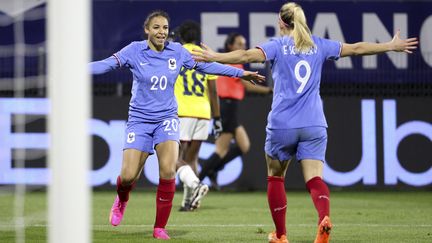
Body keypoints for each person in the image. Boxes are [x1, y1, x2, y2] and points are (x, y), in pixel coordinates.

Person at [192, 2, 418, 243]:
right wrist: (390, 46)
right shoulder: (318, 44)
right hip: (314, 124)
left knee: (275, 177)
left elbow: (246, 55)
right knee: (315, 179)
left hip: (283, 124)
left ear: (281, 22)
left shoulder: (277, 46)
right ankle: (324, 218)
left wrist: (215, 56)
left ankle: (280, 235)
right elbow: (356, 48)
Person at [89, 10, 265, 240]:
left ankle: (159, 227)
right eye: (156, 28)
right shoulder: (134, 50)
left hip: (167, 119)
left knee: (168, 170)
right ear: (147, 30)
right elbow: (106, 65)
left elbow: (207, 68)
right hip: (140, 121)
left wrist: (240, 74)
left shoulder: (177, 52)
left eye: (164, 28)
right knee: (129, 176)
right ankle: (122, 198)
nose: (161, 32)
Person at [198, 33, 272, 191]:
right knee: (221, 149)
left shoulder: (223, 61)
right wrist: (268, 90)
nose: (242, 47)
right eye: (239, 44)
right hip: (227, 106)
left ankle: (212, 170)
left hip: (229, 107)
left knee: (244, 146)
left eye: (244, 43)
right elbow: (248, 86)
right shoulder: (234, 64)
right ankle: (196, 181)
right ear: (230, 46)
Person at [173, 20, 221, 211]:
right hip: (203, 112)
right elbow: (213, 91)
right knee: (191, 159)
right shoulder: (205, 56)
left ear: (181, 36)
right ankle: (188, 202)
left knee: (174, 159)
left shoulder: (176, 53)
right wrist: (217, 119)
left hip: (182, 111)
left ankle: (196, 186)